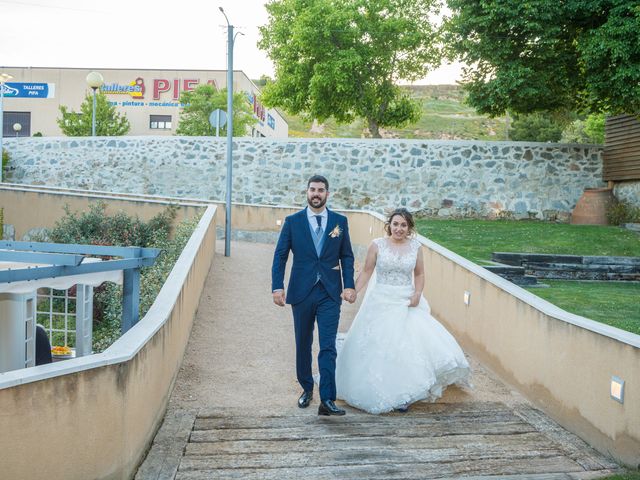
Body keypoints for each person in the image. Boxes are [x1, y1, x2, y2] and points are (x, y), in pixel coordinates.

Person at [335, 208, 470, 414]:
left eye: (403, 225)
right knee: (377, 344)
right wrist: (353, 290)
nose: (399, 228)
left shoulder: (416, 247)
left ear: (409, 228)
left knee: (404, 346)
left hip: (405, 301)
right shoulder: (377, 245)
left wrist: (417, 294)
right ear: (389, 225)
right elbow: (367, 271)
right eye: (396, 224)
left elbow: (420, 274)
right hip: (380, 301)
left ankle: (403, 392)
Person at [272, 175, 356, 416]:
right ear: (307, 192)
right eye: (312, 189)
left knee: (328, 345)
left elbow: (347, 256)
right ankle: (307, 388)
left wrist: (348, 285)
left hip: (330, 292)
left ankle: (327, 399)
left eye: (321, 190)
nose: (316, 193)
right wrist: (277, 286)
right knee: (303, 343)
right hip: (302, 292)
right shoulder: (293, 222)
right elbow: (280, 256)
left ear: (328, 193)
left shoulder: (340, 221)